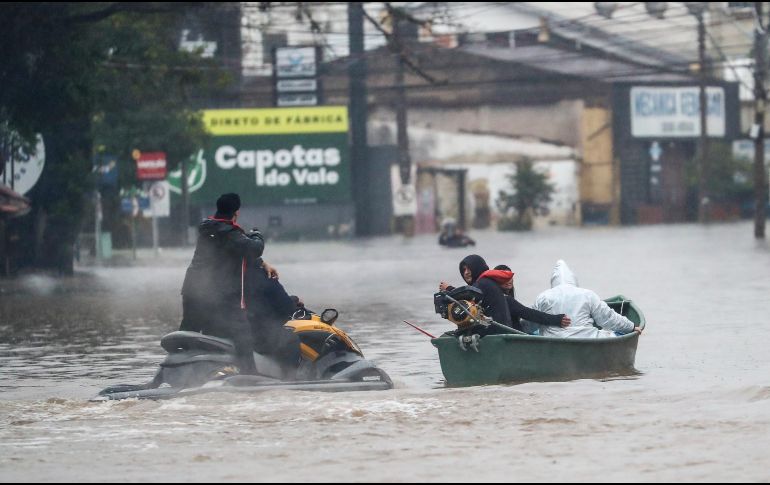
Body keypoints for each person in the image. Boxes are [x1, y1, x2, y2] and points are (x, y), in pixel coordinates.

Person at [180, 193, 276, 375]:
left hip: (192, 290)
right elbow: (254, 248)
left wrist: (262, 263)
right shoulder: (228, 232)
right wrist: (257, 234)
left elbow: (230, 252)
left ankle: (181, 373)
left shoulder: (207, 228)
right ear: (236, 213)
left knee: (188, 334)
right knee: (242, 333)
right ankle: (250, 374)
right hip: (218, 294)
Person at [439, 255, 567, 335]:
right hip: (497, 332)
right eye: (463, 270)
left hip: (508, 335)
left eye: (469, 269)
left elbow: (530, 314)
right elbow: (469, 297)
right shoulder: (482, 289)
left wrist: (557, 320)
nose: (466, 273)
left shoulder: (490, 288)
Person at [530, 260, 641, 338]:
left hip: (552, 341)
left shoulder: (543, 297)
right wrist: (630, 327)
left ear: (553, 281)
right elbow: (607, 318)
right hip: (586, 338)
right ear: (574, 280)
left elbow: (530, 323)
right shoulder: (587, 294)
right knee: (612, 333)